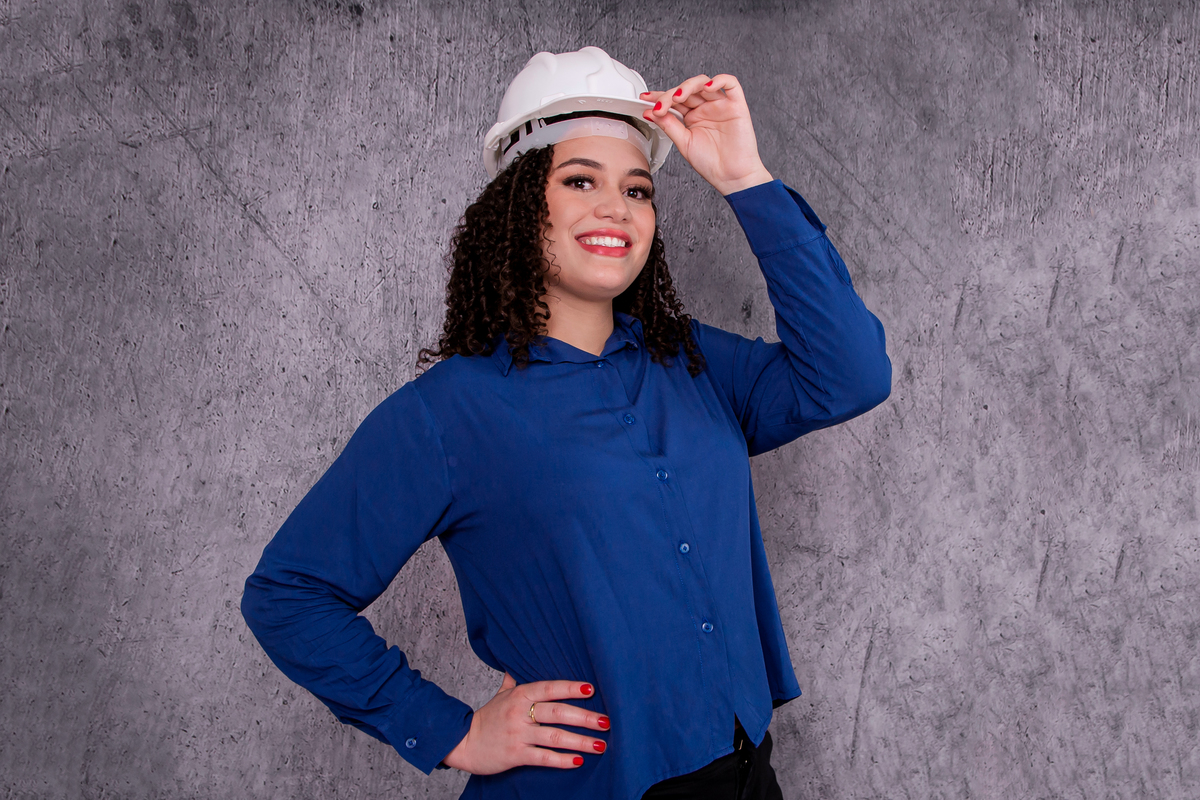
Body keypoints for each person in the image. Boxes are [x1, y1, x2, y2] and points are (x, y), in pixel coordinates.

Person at [241, 46, 891, 800]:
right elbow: (288, 593)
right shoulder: (448, 413)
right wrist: (452, 732)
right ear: (520, 205)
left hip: (747, 774)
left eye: (638, 189)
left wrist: (746, 178)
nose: (616, 208)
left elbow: (851, 375)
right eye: (580, 180)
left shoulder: (693, 361)